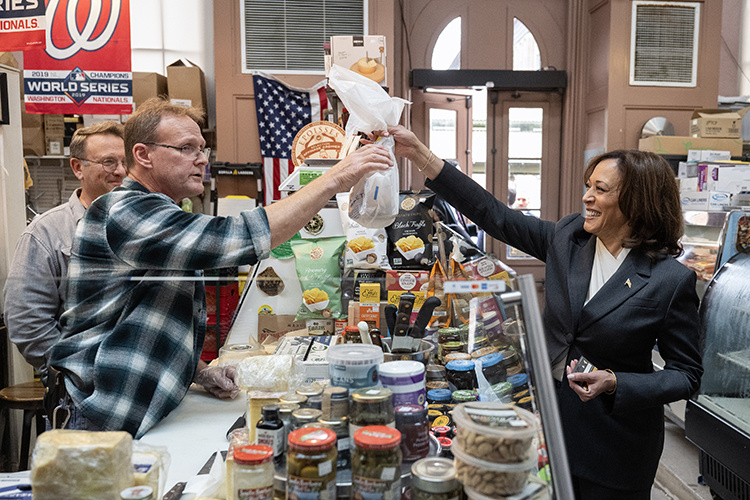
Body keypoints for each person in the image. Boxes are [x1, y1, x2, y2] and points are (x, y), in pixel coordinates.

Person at [379, 125, 702, 499]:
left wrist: (616, 381)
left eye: (601, 189)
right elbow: (492, 214)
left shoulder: (669, 280)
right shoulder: (569, 239)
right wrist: (421, 154)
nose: (587, 198)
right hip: (550, 426)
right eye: (588, 186)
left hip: (615, 445)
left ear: (636, 202)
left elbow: (687, 375)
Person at [46, 97, 393, 438]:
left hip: (130, 413)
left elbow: (145, 317)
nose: (201, 160)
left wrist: (197, 372)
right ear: (143, 155)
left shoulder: (162, 213)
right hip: (98, 416)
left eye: (202, 149)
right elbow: (236, 237)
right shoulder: (124, 211)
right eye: (186, 148)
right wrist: (334, 178)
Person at [5, 121, 126, 382]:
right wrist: (78, 372)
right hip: (82, 392)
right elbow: (27, 321)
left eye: (125, 162)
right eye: (109, 162)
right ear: (77, 167)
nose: (121, 171)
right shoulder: (46, 232)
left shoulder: (138, 224)